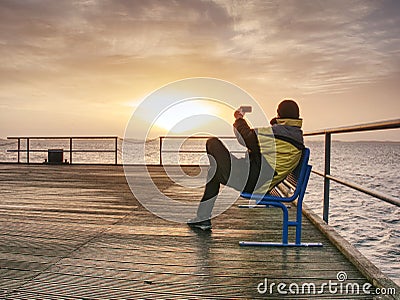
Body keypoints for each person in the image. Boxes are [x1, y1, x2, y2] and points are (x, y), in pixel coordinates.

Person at [188, 99, 305, 230]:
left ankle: (204, 217)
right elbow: (254, 142)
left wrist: (239, 118)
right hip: (260, 180)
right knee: (214, 170)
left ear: (279, 114)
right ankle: (203, 219)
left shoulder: (278, 133)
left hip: (251, 181)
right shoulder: (294, 135)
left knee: (212, 142)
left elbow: (245, 137)